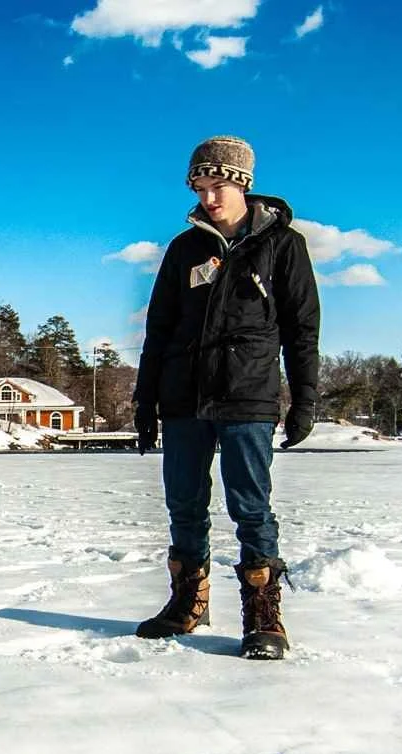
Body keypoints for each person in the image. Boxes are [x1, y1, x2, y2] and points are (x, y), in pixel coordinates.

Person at [130, 136, 320, 659]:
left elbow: (302, 330)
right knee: (183, 504)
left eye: (218, 186)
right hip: (183, 396)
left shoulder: (283, 245)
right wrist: (145, 402)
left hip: (247, 395)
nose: (209, 198)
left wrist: (305, 399)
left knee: (250, 505)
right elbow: (159, 330)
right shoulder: (184, 249)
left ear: (243, 185)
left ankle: (263, 616)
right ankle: (186, 604)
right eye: (200, 188)